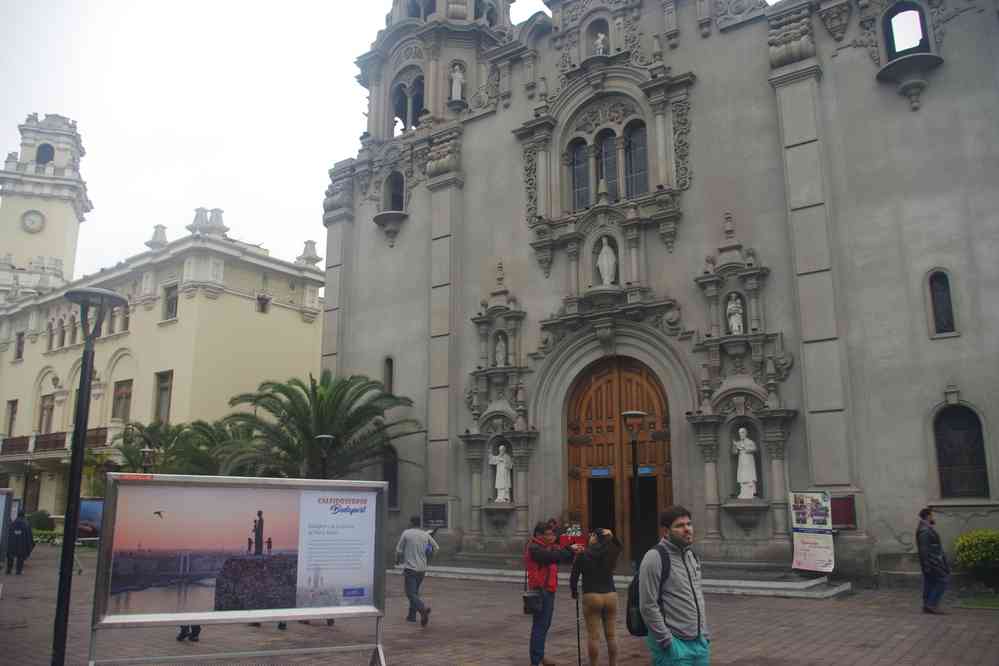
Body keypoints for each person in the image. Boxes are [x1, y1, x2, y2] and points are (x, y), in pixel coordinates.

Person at [639, 506, 710, 666]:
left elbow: (697, 595)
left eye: (689, 524)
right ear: (665, 531)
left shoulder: (692, 555)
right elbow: (648, 605)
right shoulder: (655, 557)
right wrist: (667, 641)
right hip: (674, 645)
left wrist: (704, 634)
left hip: (699, 643)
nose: (687, 529)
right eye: (680, 526)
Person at [526, 521, 583, 666]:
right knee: (540, 625)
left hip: (548, 590)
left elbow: (561, 556)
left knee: (544, 625)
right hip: (539, 591)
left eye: (553, 534)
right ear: (539, 535)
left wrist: (574, 551)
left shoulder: (548, 547)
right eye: (549, 534)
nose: (552, 537)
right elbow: (551, 557)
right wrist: (570, 549)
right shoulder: (534, 548)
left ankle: (540, 656)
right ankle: (535, 660)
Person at [570, 528, 622, 665]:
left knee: (593, 636)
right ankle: (613, 664)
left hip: (591, 595)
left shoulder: (583, 554)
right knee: (611, 635)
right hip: (610, 594)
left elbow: (573, 577)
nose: (590, 537)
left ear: (595, 537)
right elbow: (618, 546)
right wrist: (611, 535)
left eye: (592, 535)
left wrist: (574, 592)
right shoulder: (610, 553)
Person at [395, 515, 439, 626]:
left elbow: (399, 550)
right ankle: (411, 616)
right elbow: (436, 548)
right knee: (415, 593)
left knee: (410, 593)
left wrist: (397, 560)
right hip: (422, 569)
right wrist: (429, 557)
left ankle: (422, 610)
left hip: (410, 568)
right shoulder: (425, 534)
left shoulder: (406, 533)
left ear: (411, 522)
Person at [916, 507, 949, 614]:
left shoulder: (926, 528)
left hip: (932, 561)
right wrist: (927, 565)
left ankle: (927, 605)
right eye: (932, 515)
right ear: (928, 516)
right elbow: (924, 549)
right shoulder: (924, 530)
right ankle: (931, 604)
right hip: (932, 561)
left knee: (929, 582)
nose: (933, 517)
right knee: (943, 580)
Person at [5, 510, 34, 575]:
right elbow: (29, 536)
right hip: (22, 544)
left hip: (12, 544)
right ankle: (18, 571)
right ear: (23, 515)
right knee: (20, 557)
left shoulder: (12, 524)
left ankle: (8, 570)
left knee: (10, 557)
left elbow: (8, 534)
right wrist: (29, 545)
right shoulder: (26, 524)